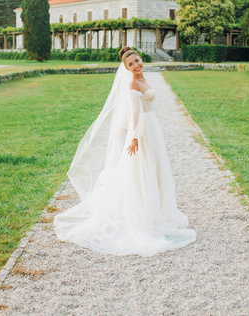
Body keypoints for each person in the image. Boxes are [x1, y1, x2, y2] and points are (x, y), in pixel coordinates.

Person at [53, 46, 196, 256]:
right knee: (141, 171)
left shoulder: (142, 78)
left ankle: (157, 212)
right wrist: (136, 137)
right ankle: (140, 215)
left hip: (151, 128)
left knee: (153, 169)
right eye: (131, 64)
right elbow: (135, 112)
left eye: (137, 61)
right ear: (126, 68)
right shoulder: (133, 83)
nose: (136, 65)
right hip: (143, 132)